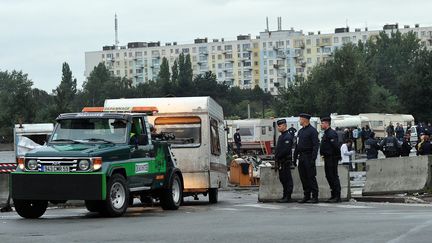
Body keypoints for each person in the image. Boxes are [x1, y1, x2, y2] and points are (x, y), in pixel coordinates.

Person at [294, 113, 319, 204]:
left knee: (311, 177)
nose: (299, 121)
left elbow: (315, 146)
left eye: (300, 119)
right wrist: (295, 157)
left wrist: (313, 159)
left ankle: (315, 196)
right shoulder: (300, 131)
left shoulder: (312, 131)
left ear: (305, 120)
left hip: (309, 156)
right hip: (301, 157)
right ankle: (306, 195)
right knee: (303, 177)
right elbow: (297, 145)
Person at [319, 117, 342, 203]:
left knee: (333, 176)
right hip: (327, 158)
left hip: (332, 158)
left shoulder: (331, 133)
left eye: (322, 123)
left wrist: (337, 156)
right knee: (329, 176)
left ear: (327, 124)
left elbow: (335, 146)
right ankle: (333, 195)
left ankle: (337, 196)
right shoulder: (326, 133)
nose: (321, 125)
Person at [274, 119, 294, 203]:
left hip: (285, 161)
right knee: (282, 179)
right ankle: (284, 195)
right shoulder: (281, 136)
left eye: (280, 126)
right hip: (281, 161)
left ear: (285, 126)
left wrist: (278, 156)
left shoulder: (288, 136)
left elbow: (285, 150)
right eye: (278, 126)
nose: (278, 127)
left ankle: (288, 196)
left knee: (287, 179)